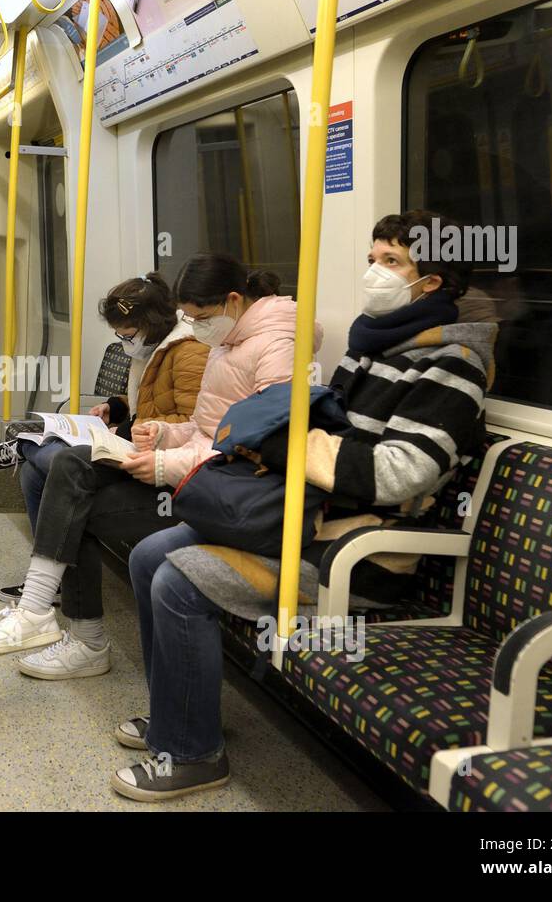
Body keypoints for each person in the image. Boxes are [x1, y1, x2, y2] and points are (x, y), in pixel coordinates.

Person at [116, 211, 496, 801]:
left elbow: (404, 470)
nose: (375, 273)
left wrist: (294, 444)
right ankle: (178, 718)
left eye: (392, 262)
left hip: (360, 550)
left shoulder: (453, 364)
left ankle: (194, 753)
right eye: (373, 259)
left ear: (433, 282)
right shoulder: (371, 347)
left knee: (177, 583)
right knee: (148, 555)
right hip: (305, 517)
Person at [0, 256, 302, 678]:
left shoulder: (221, 350)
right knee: (63, 475)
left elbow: (247, 440)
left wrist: (160, 457)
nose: (193, 324)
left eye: (198, 317)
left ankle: (71, 631)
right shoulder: (222, 344)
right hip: (188, 465)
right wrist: (151, 430)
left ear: (232, 302)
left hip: (215, 489)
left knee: (64, 476)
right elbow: (198, 424)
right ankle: (44, 609)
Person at [0, 271, 207, 599]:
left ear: (152, 323)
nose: (124, 342)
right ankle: (54, 581)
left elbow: (193, 422)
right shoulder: (153, 349)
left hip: (161, 462)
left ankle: (25, 447)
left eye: (127, 335)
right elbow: (151, 401)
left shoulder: (189, 352)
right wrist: (116, 407)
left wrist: (127, 430)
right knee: (33, 476)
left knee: (62, 461)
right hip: (140, 441)